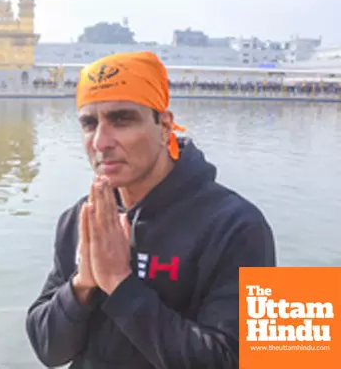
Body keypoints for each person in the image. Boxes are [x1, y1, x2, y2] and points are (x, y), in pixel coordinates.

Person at [25, 51, 277, 368]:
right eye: (89, 124)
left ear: (164, 125)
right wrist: (82, 284)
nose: (101, 142)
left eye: (121, 119)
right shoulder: (82, 218)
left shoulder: (240, 225)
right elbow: (48, 351)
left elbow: (237, 360)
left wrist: (119, 284)